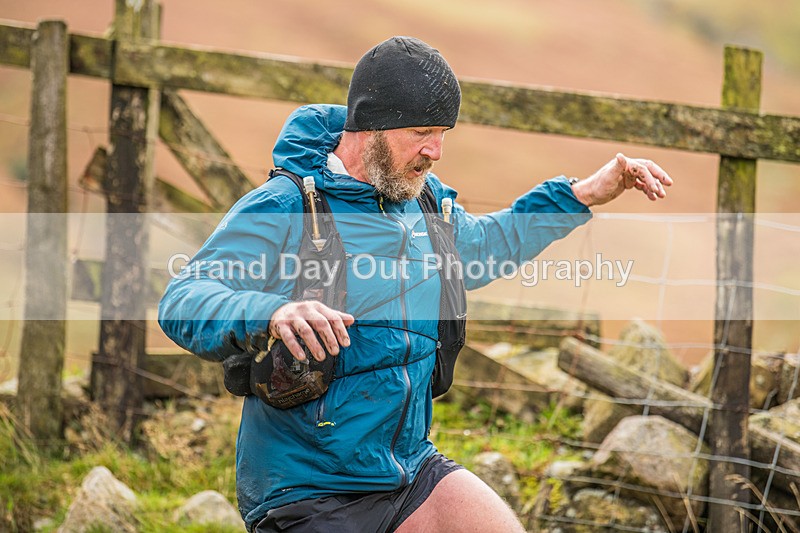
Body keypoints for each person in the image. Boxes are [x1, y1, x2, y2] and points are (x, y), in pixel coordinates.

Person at [158, 36, 673, 532]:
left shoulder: (426, 206)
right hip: (307, 488)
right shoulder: (288, 206)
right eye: (423, 132)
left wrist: (584, 193)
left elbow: (489, 245)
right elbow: (184, 299)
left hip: (408, 470)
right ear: (371, 126)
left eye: (444, 132)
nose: (437, 150)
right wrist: (270, 313)